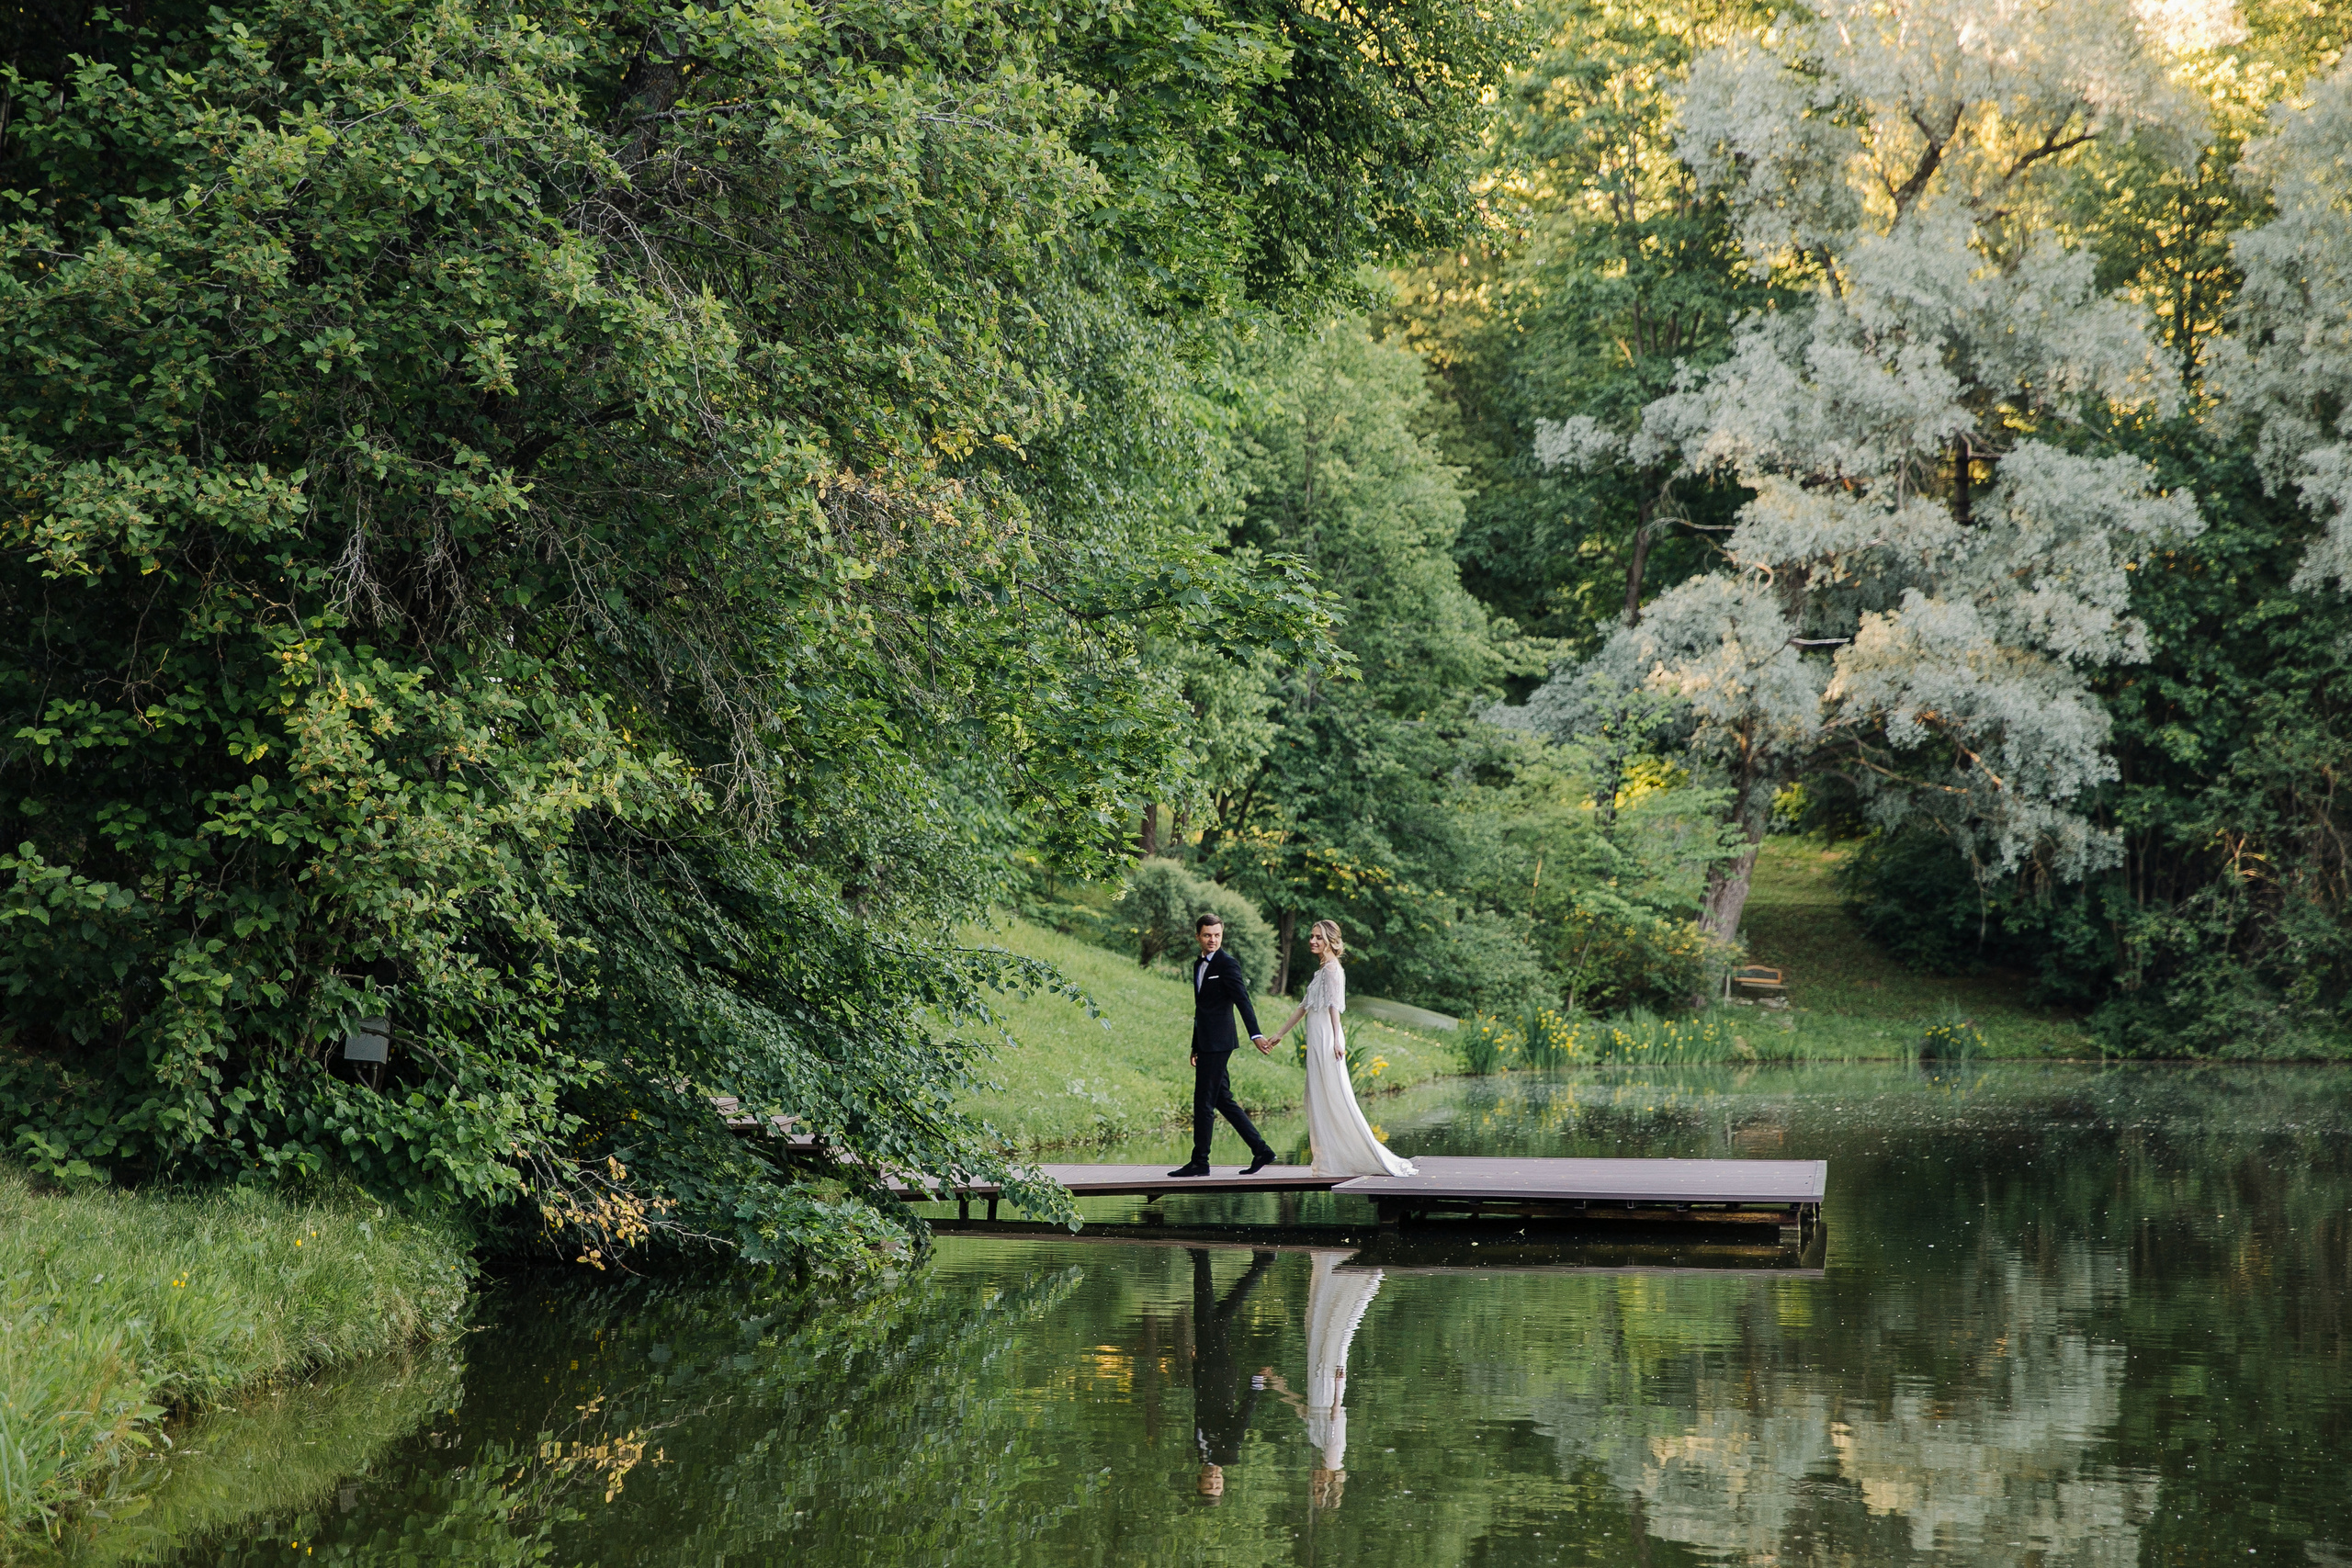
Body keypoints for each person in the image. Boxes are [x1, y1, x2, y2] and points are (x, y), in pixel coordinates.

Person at [1262, 919, 1417, 1178]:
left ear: (1331, 941)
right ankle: (1327, 1159)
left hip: (1326, 1037)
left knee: (1334, 1094)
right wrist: (1280, 1033)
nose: (1313, 941)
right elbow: (1303, 1006)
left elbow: (1334, 1007)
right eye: (1312, 936)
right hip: (1316, 1037)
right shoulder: (1322, 970)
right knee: (1317, 1095)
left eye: (1319, 937)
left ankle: (1343, 1158)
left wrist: (1336, 1039)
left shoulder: (1333, 969)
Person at [1262, 1249, 1384, 1511]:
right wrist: (1339, 1384)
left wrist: (1276, 1384)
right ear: (1330, 1483)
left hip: (1319, 1387)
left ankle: (1331, 1270)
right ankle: (1339, 1270)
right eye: (1319, 1487)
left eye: (1314, 1487)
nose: (1314, 1482)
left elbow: (1302, 1408)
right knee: (1328, 1334)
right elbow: (1335, 1415)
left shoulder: (1319, 1445)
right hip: (1328, 1387)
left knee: (1319, 1333)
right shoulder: (1332, 1456)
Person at [1169, 913, 1277, 1179]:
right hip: (1206, 1042)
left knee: (1203, 1102)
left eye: (1217, 935)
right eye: (1207, 935)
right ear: (1198, 936)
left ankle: (1200, 1162)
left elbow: (1243, 1000)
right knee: (1221, 1099)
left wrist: (1255, 1035)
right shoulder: (1198, 965)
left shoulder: (1227, 964)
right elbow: (1202, 1010)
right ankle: (1261, 1150)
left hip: (1220, 1042)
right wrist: (1195, 1045)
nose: (1213, 940)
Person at [1190, 1247, 1275, 1502]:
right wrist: (1256, 1383)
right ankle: (1202, 1257)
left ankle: (1261, 1264)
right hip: (1219, 1374)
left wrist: (1195, 1367)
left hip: (1206, 1371)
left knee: (1222, 1315)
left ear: (1199, 1479)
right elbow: (1243, 1417)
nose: (1213, 1478)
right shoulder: (1228, 1453)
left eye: (1208, 1483)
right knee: (1204, 1314)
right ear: (1223, 1482)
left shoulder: (1200, 1451)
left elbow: (1200, 1406)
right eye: (1216, 1484)